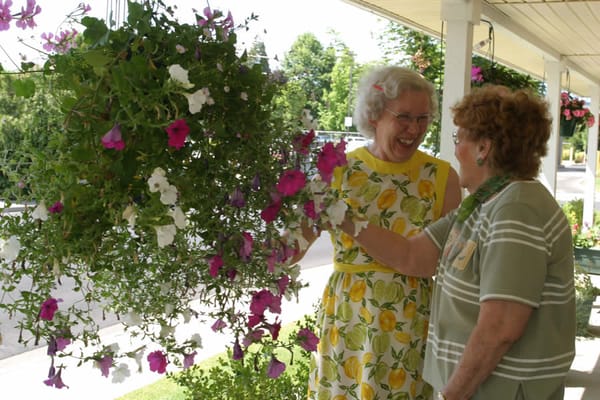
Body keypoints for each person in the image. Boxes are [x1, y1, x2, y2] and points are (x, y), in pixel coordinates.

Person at [340, 84, 576, 400]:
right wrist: (342, 216)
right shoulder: (484, 203)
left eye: (459, 138)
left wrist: (452, 394)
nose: (455, 149)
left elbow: (501, 328)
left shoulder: (516, 210)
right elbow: (413, 256)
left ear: (484, 148)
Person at [300, 66, 462, 400]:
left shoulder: (443, 178)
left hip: (411, 325)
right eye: (404, 117)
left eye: (423, 118)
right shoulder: (338, 170)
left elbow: (437, 264)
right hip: (349, 322)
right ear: (375, 115)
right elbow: (293, 249)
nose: (414, 129)